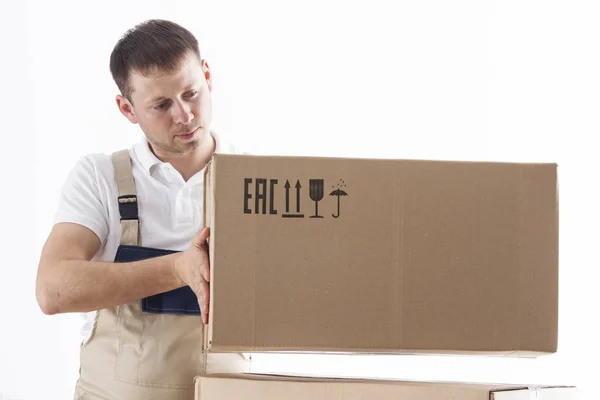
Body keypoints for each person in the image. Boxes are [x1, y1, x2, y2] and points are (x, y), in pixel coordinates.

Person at [35, 19, 248, 400]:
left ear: (208, 75)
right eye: (161, 105)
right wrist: (178, 268)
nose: (183, 116)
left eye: (191, 93)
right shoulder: (99, 177)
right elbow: (52, 291)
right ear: (127, 108)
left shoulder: (259, 180)